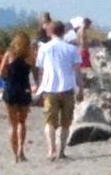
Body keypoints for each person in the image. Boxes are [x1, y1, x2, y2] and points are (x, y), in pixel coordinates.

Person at [36, 20, 86, 157]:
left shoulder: (44, 48)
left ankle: (51, 149)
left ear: (50, 32)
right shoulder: (72, 49)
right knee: (66, 123)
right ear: (64, 32)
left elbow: (40, 72)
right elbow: (77, 72)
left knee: (49, 122)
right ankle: (61, 151)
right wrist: (80, 90)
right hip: (67, 89)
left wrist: (39, 89)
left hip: (50, 89)